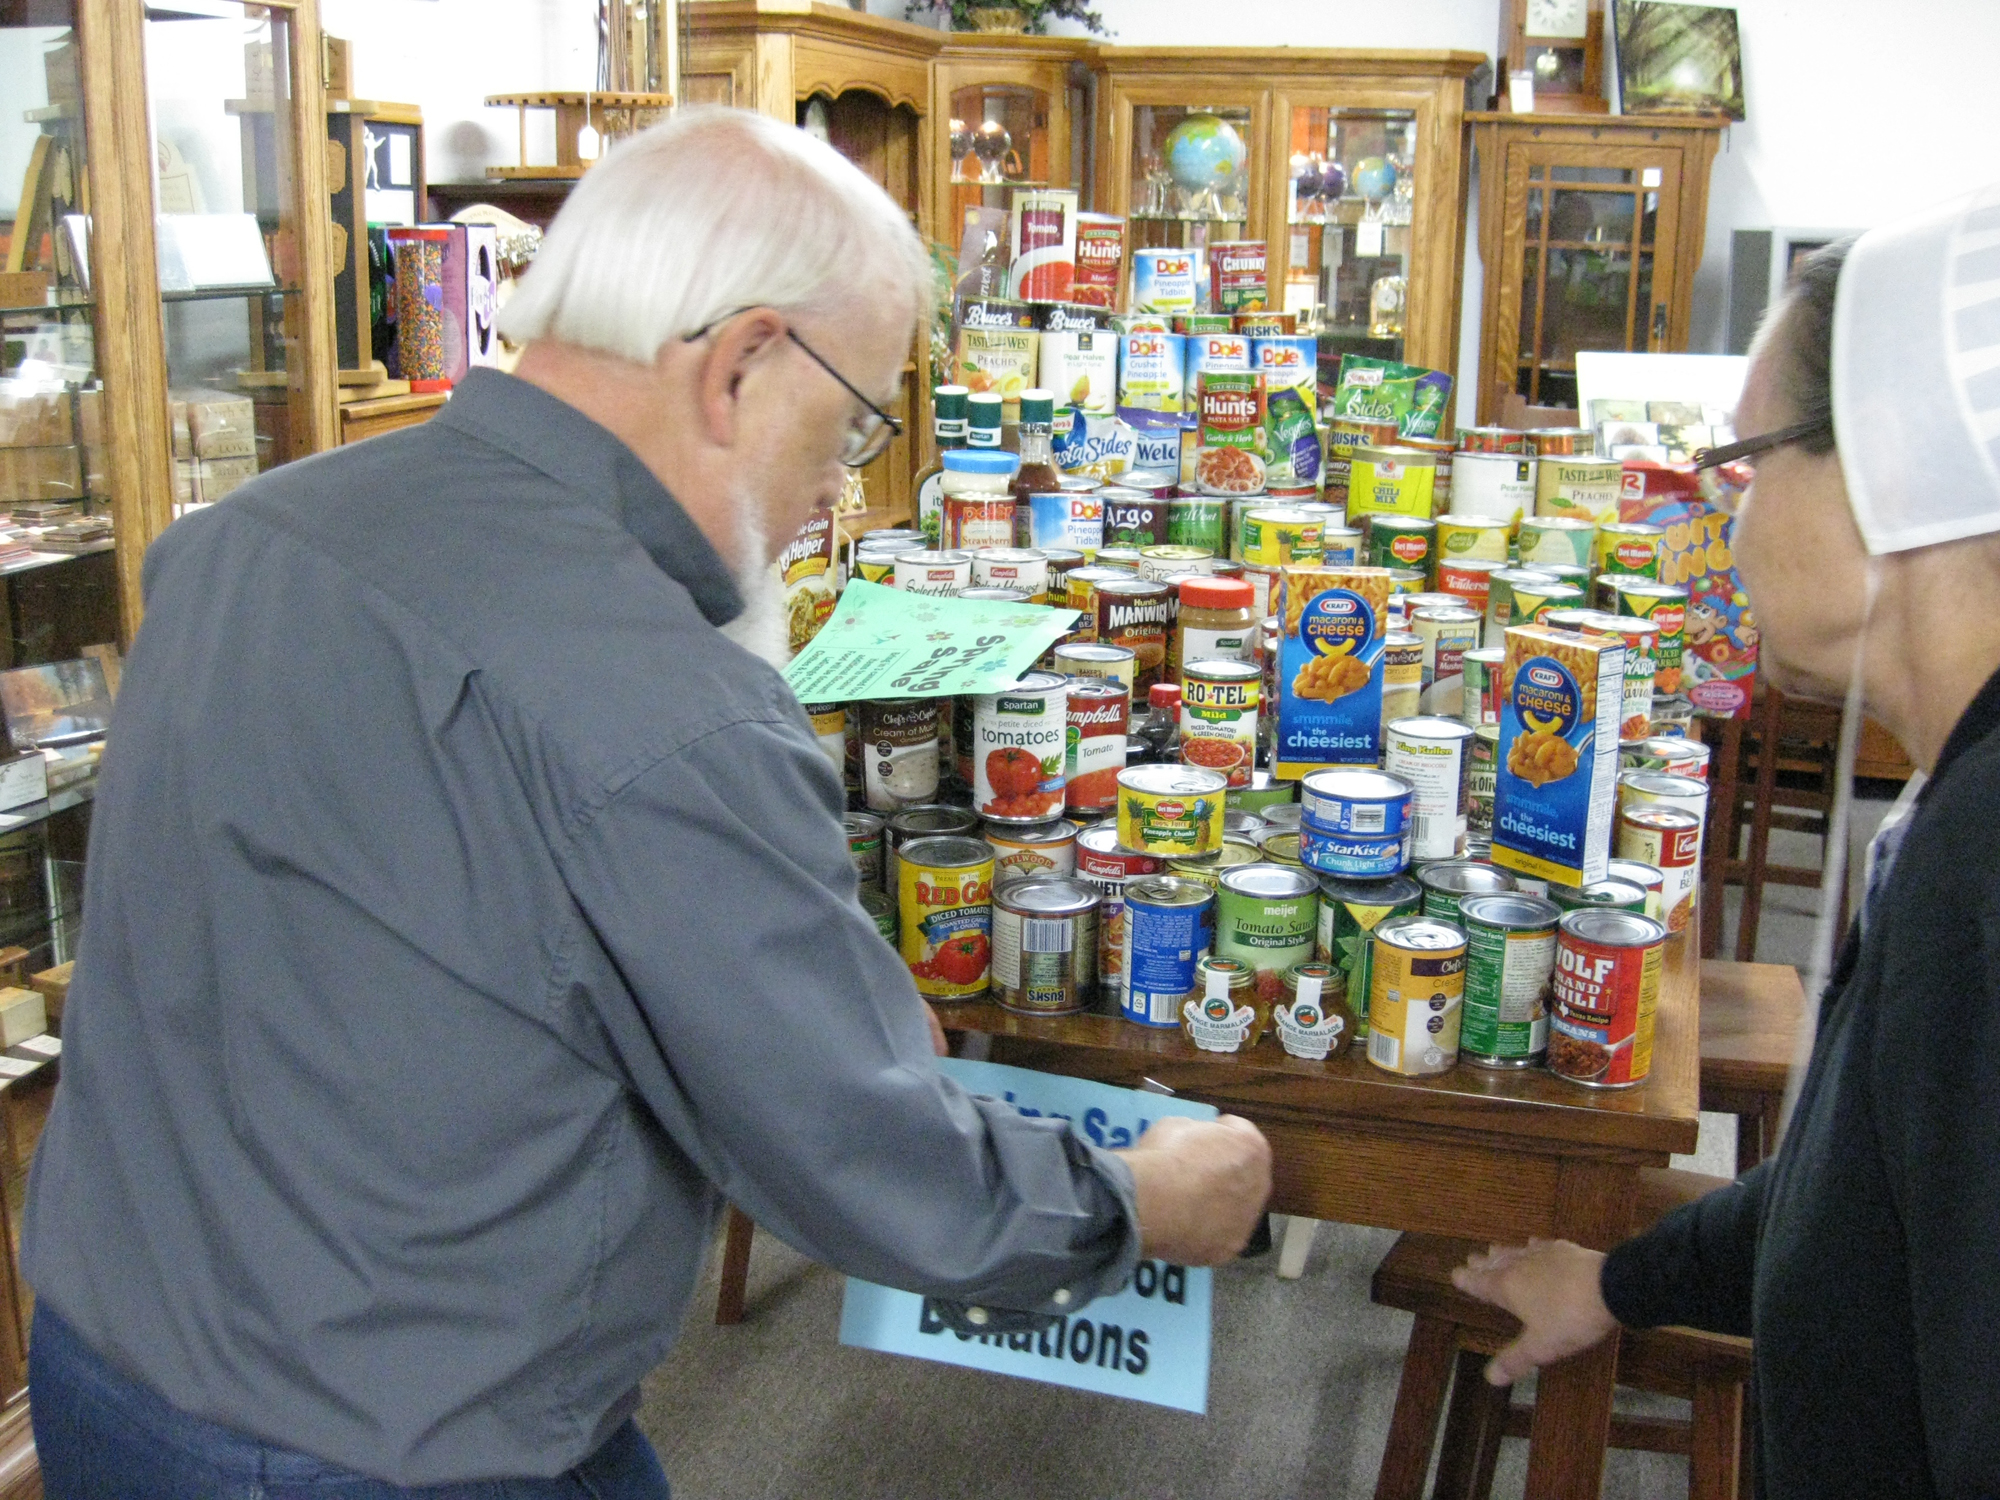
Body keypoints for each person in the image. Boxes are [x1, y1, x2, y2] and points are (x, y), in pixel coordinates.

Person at [19, 107, 1272, 1498]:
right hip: (389, 1444)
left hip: (103, 1368)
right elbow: (871, 1170)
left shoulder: (247, 533)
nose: (833, 489)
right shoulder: (674, 710)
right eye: (853, 425)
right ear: (742, 362)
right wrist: (1144, 1200)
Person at [1452, 190, 2000, 1497]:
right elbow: (1862, 1198)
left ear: (1887, 470)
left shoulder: (1985, 886)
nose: (1728, 519)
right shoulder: (1952, 809)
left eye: (1748, 465)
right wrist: (1620, 1281)